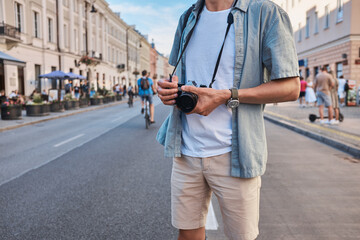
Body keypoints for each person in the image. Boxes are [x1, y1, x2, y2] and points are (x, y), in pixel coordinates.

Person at [156, 0, 300, 239]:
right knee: (187, 235)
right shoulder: (188, 17)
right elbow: (181, 76)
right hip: (186, 150)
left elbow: (291, 88)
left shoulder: (266, 14)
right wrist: (169, 92)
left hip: (235, 153)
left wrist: (226, 95)